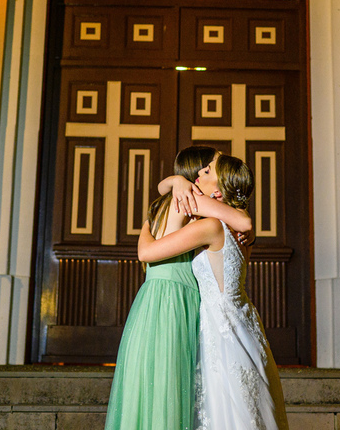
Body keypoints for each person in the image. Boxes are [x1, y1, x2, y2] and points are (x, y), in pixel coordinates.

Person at [103, 146, 250, 430]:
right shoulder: (188, 200)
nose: (209, 173)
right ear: (196, 175)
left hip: (154, 297)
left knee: (152, 387)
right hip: (173, 299)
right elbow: (242, 221)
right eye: (207, 168)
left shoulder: (169, 199)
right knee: (167, 387)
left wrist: (171, 184)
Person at [139, 155, 289, 430]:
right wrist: (175, 181)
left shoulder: (210, 226)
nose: (198, 174)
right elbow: (241, 221)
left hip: (219, 330)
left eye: (207, 171)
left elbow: (146, 252)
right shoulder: (236, 231)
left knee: (222, 409)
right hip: (242, 323)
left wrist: (147, 223)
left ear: (217, 191)